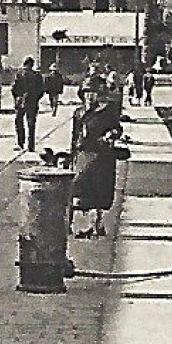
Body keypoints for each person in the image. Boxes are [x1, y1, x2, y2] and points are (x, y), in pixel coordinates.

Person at [70, 86, 123, 238]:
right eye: (87, 93)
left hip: (102, 156)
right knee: (80, 188)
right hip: (84, 154)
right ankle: (78, 224)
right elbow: (74, 135)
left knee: (100, 190)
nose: (90, 96)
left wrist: (111, 134)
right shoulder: (79, 112)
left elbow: (118, 129)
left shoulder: (106, 113)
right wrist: (72, 154)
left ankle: (98, 222)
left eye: (93, 93)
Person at [11, 56, 44, 151]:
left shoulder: (20, 75)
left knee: (19, 122)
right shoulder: (37, 76)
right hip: (32, 102)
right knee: (31, 124)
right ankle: (31, 146)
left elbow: (14, 89)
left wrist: (17, 98)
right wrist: (35, 98)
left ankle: (21, 143)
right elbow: (41, 90)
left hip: (21, 102)